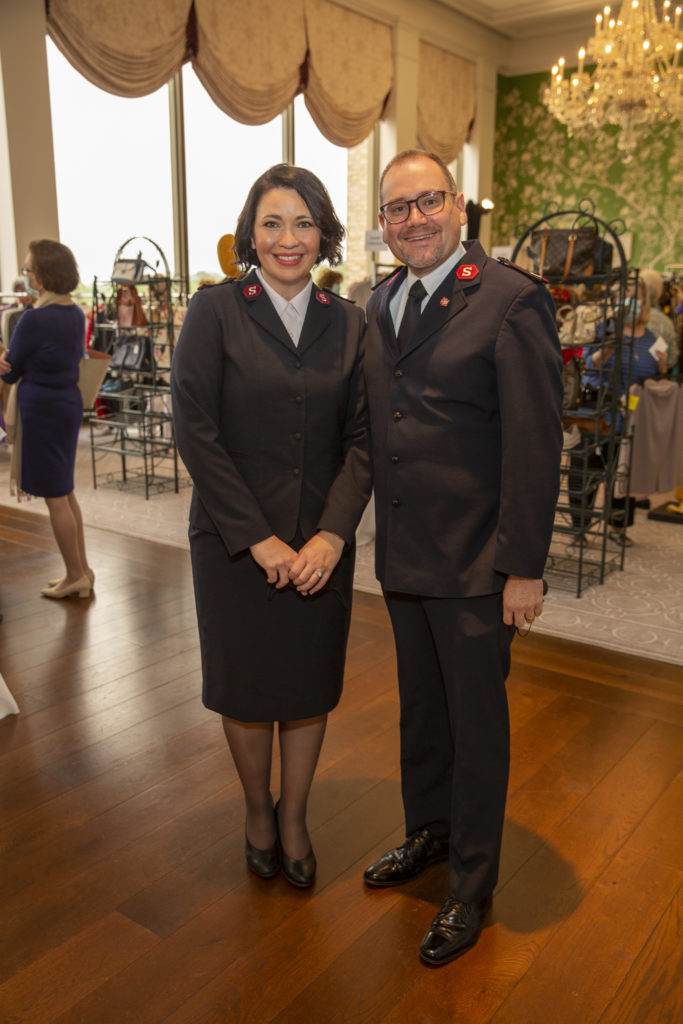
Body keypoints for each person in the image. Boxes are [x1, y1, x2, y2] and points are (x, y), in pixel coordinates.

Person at [362, 150, 563, 966]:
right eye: (396, 208)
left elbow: (534, 442)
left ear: (457, 207)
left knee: (476, 731)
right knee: (421, 713)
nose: (413, 218)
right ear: (383, 224)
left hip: (479, 565)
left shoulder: (511, 300)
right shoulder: (376, 303)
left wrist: (524, 567)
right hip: (405, 557)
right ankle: (429, 835)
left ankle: (470, 887)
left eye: (427, 201)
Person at [171, 164, 371, 889]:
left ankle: (296, 818)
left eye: (303, 223)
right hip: (233, 544)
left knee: (308, 688)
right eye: (273, 222)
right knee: (248, 690)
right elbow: (194, 429)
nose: (288, 238)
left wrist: (331, 535)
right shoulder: (214, 311)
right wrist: (257, 538)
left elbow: (363, 439)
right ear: (249, 234)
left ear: (324, 233)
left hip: (320, 545)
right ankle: (259, 809)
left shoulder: (350, 322)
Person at [0, 240, 94, 599]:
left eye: (29, 270)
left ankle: (75, 574)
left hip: (42, 410)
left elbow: (10, 373)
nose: (26, 275)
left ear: (43, 275)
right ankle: (80, 570)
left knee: (56, 495)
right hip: (65, 406)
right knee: (64, 491)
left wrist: (3, 363)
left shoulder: (35, 318)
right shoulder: (73, 312)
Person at [571, 275, 666, 548]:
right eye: (626, 297)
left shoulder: (652, 339)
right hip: (597, 413)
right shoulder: (602, 330)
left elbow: (655, 379)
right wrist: (609, 347)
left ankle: (617, 526)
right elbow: (589, 364)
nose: (631, 303)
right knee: (585, 471)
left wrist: (662, 367)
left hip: (632, 417)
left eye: (636, 298)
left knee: (622, 474)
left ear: (645, 302)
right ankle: (580, 528)